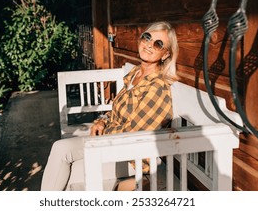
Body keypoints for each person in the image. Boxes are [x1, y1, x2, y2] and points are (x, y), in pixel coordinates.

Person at [41, 21, 179, 191]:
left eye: (158, 44)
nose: (149, 45)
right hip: (111, 143)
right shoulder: (135, 73)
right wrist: (103, 120)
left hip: (133, 159)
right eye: (147, 37)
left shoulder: (157, 88)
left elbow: (134, 135)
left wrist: (103, 131)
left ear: (165, 55)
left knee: (67, 164)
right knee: (60, 149)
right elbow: (116, 110)